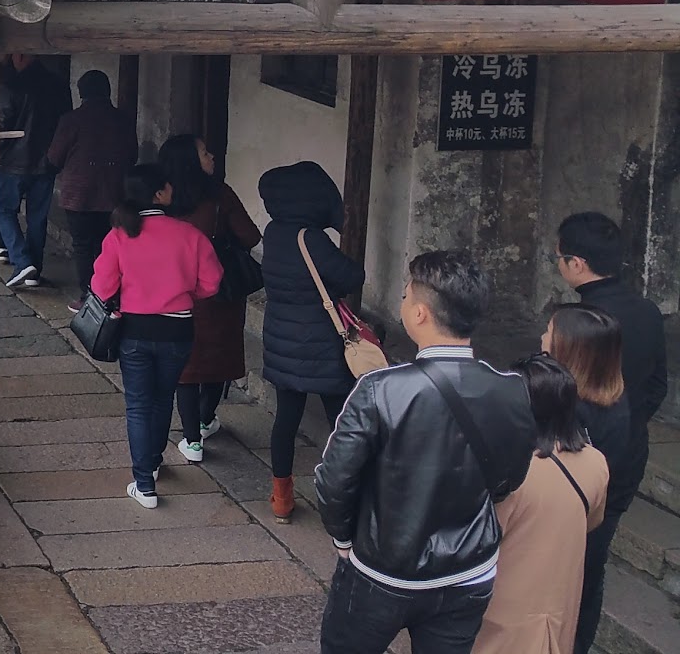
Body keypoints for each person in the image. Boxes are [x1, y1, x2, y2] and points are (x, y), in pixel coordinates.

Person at [315, 251, 535, 654]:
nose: (402, 303)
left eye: (405, 296)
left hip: (384, 569)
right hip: (469, 569)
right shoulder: (511, 388)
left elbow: (335, 479)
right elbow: (510, 477)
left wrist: (344, 537)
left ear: (420, 313)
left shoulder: (380, 389)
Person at [547, 216, 656, 654]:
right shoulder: (648, 312)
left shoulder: (578, 323)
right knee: (592, 566)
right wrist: (626, 423)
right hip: (627, 455)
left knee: (559, 567)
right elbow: (657, 387)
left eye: (558, 258)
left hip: (575, 458)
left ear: (576, 263)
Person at [92, 163, 223, 508]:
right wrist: (185, 292)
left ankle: (144, 483)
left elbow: (102, 286)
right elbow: (211, 283)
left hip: (134, 329)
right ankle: (153, 461)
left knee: (138, 405)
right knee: (163, 399)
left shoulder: (119, 235)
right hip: (177, 329)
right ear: (160, 193)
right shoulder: (189, 234)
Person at [473, 354, 610, 654]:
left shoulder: (511, 469)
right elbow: (593, 520)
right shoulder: (596, 463)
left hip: (502, 609)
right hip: (559, 606)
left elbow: (481, 537)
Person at [256, 159, 363, 522]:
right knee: (340, 422)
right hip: (321, 343)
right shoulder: (311, 239)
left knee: (286, 420)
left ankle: (281, 497)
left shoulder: (273, 232)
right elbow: (351, 277)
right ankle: (343, 494)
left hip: (282, 340)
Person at [161, 134, 261, 463]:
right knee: (217, 357)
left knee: (186, 365)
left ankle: (192, 440)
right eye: (204, 152)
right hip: (217, 289)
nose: (212, 156)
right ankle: (205, 420)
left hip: (173, 290)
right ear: (191, 161)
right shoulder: (219, 195)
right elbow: (250, 235)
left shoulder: (161, 196)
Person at [45, 70, 136, 309]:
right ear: (108, 91)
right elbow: (132, 156)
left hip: (79, 195)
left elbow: (54, 157)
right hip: (114, 193)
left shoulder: (71, 120)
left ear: (81, 93)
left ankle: (89, 294)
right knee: (109, 245)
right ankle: (111, 293)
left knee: (83, 246)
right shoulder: (123, 120)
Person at [0, 54, 72, 289]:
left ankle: (22, 260)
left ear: (19, 56)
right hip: (47, 161)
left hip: (14, 161)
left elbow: (3, 121)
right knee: (37, 217)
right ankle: (34, 270)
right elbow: (66, 123)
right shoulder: (58, 85)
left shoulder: (12, 85)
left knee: (3, 209)